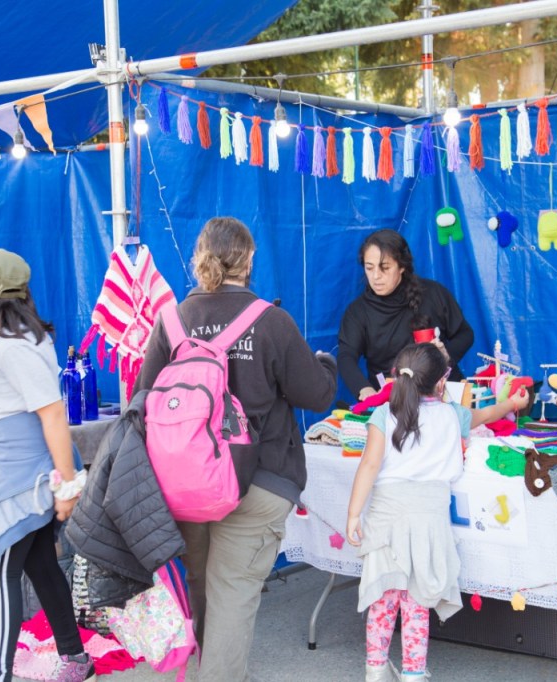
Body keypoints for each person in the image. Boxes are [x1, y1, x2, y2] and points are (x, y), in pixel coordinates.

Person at [136, 216, 337, 681]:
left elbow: (144, 399)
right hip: (259, 478)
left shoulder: (170, 321)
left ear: (198, 259)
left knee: (198, 588)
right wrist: (325, 364)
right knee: (232, 593)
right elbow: (316, 394)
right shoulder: (271, 321)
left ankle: (211, 670)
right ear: (248, 261)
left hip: (184, 482)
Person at [346, 343, 529, 682]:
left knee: (383, 600)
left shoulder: (384, 415)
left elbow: (369, 465)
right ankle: (414, 674)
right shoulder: (453, 415)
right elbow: (486, 415)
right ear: (441, 382)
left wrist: (354, 514)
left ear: (396, 377)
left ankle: (375, 669)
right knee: (417, 603)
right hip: (430, 523)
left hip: (386, 521)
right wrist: (511, 404)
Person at [0, 248, 92, 682]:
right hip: (13, 472)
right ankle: (76, 657)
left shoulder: (14, 345)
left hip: (19, 480)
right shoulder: (11, 337)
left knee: (0, 571)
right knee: (40, 565)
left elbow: (52, 414)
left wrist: (67, 486)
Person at [338, 229, 475, 402]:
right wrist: (364, 389)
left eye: (385, 268)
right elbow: (346, 357)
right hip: (393, 401)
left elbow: (465, 334)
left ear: (402, 266)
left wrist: (445, 355)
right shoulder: (357, 312)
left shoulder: (433, 294)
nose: (376, 276)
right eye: (369, 268)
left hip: (444, 396)